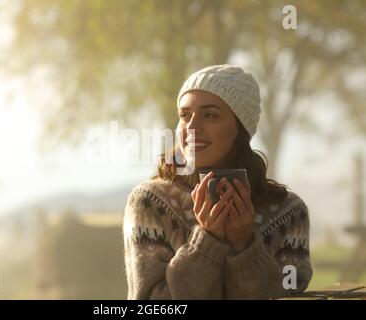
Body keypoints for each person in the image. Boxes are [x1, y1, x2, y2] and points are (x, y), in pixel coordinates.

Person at [122, 64, 313, 299]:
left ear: (240, 129)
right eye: (185, 115)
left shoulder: (289, 212)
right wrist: (206, 242)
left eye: (210, 115)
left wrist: (245, 245)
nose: (192, 127)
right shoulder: (150, 203)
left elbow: (289, 295)